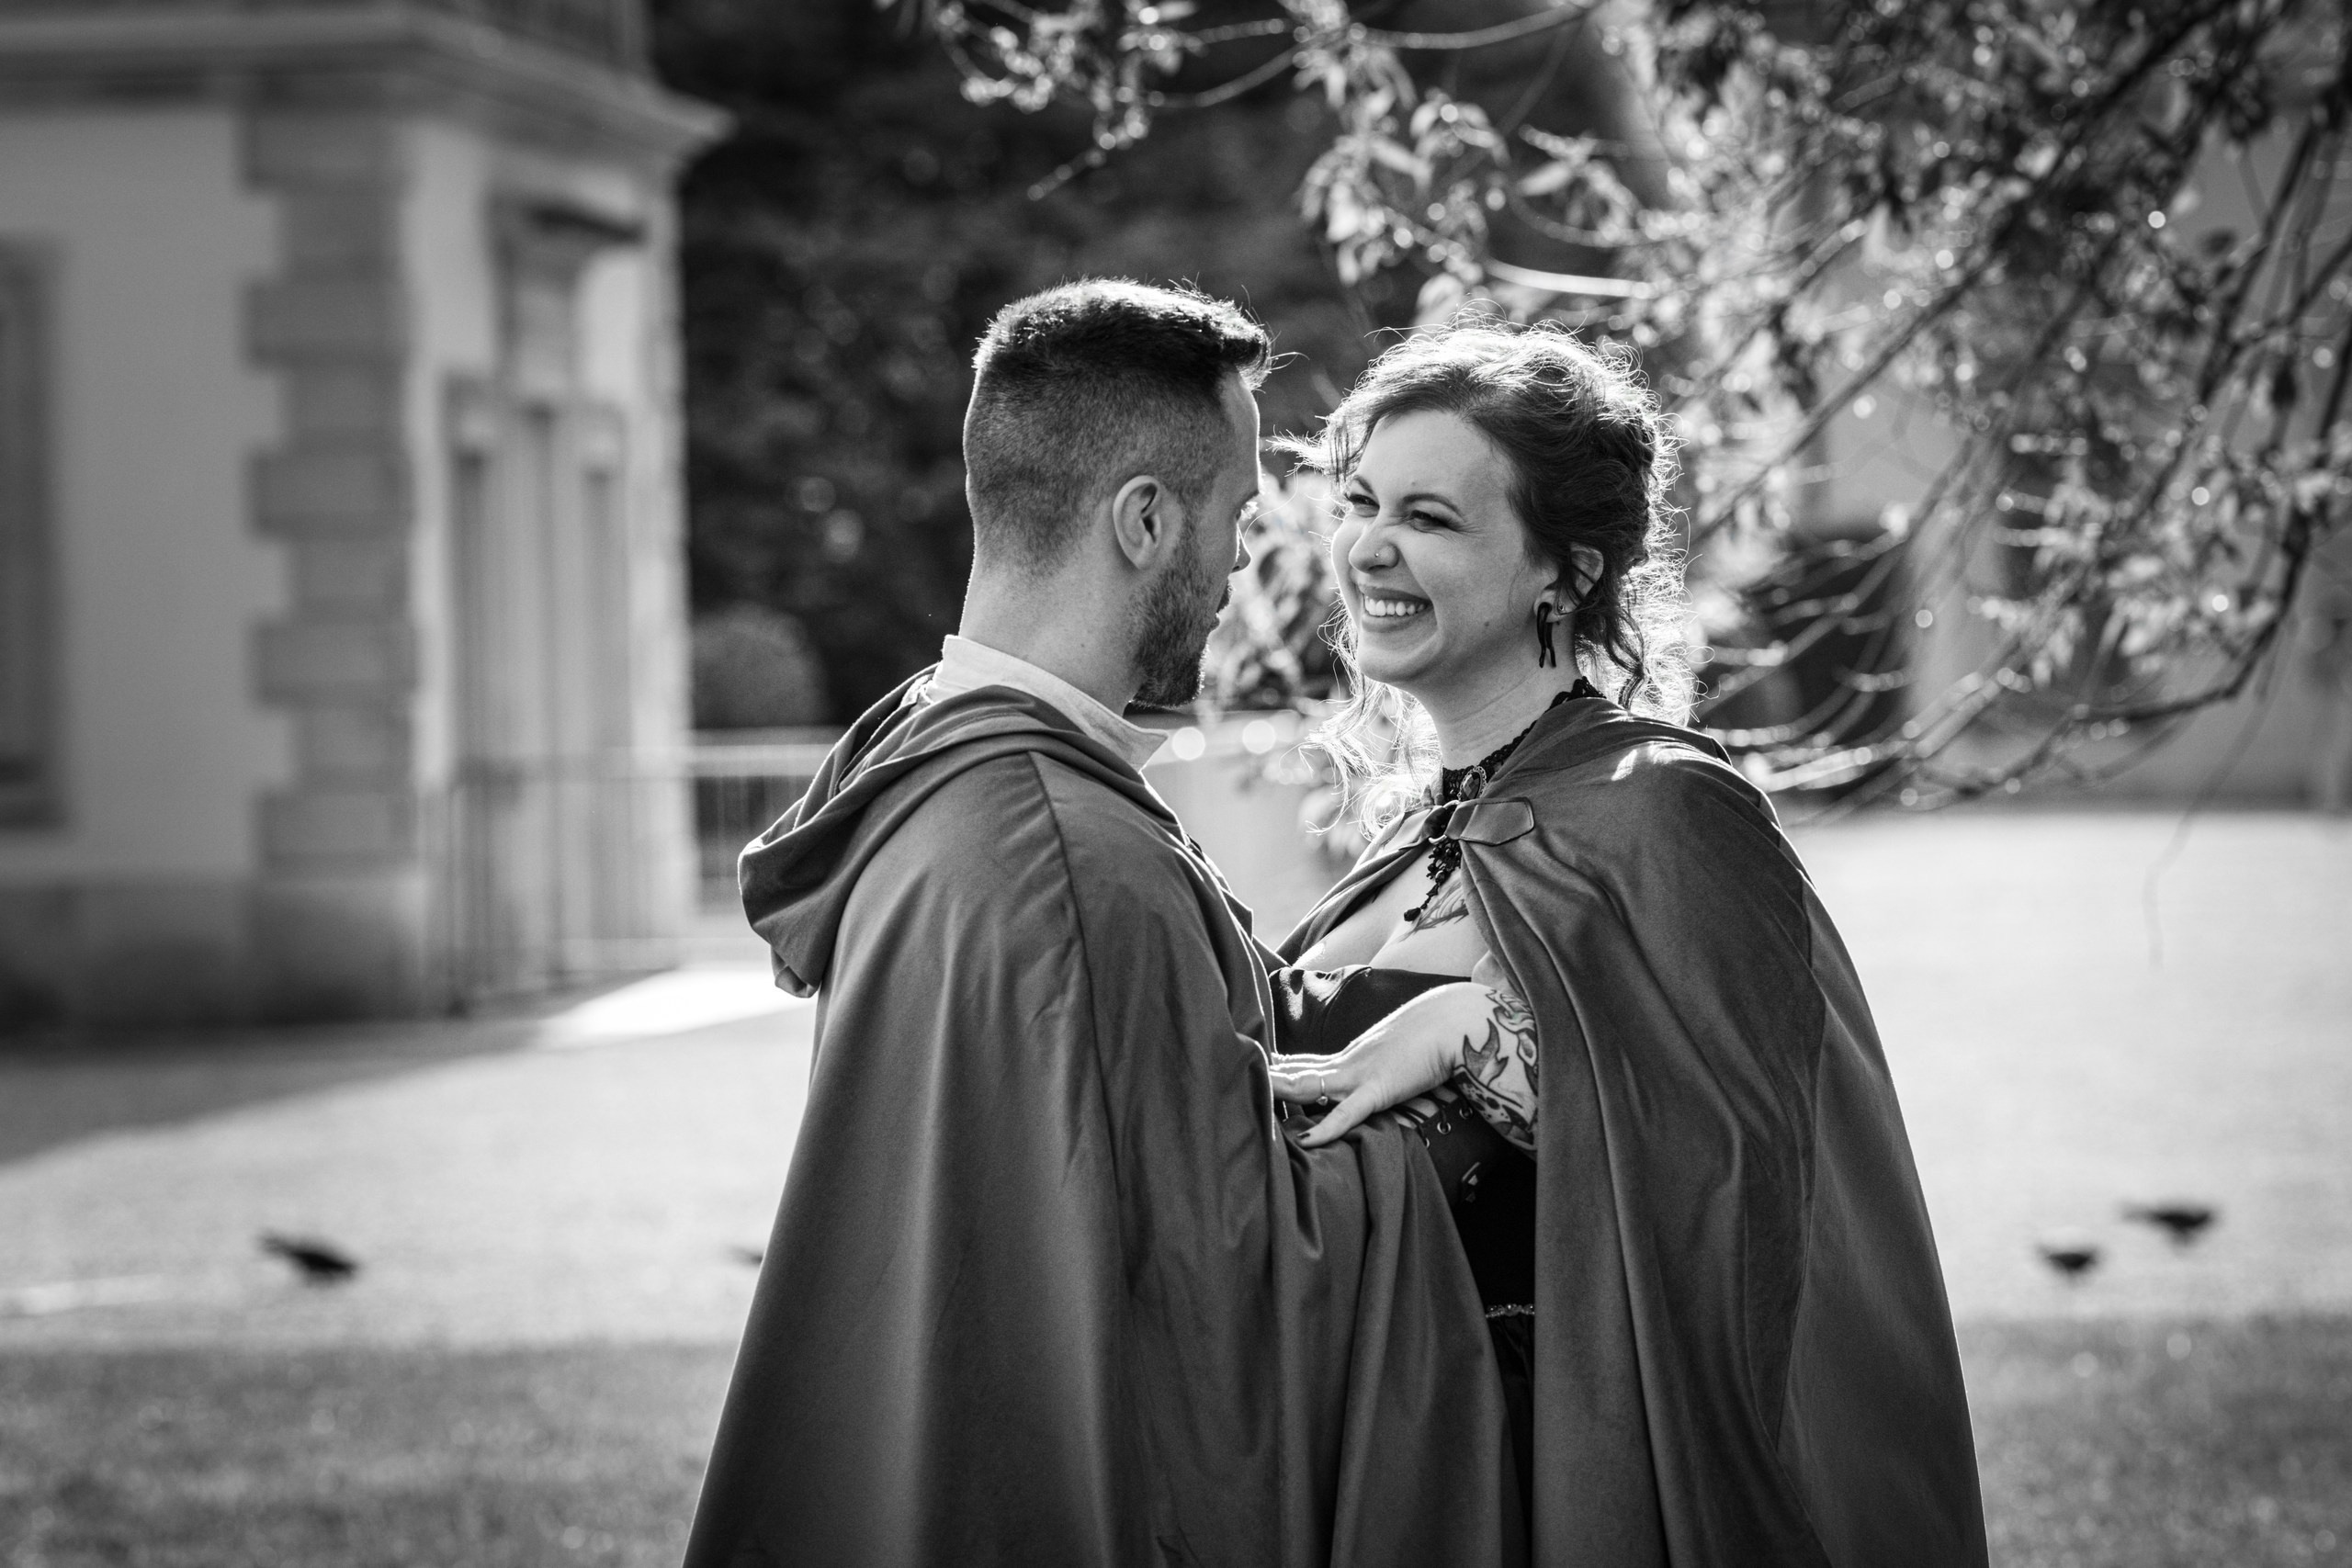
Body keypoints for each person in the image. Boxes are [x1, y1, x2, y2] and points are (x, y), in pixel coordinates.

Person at [682, 281, 1519, 1568]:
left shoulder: (936, 775)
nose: (1245, 563)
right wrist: (1476, 1097)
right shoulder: (1072, 857)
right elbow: (1224, 1307)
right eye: (1236, 518)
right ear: (1142, 522)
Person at [1260, 321, 1991, 1566]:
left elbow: (1746, 1177)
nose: (1370, 547)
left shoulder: (1664, 806)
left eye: (1432, 518)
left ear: (1563, 571)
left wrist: (1478, 1038)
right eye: (1361, 502)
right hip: (1381, 1462)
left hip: (1560, 1478)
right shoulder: (1409, 835)